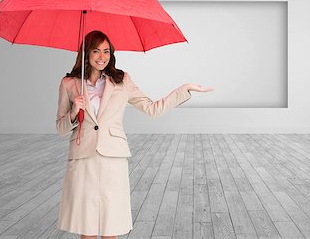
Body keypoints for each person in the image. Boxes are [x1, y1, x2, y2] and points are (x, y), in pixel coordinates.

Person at [55, 30, 212, 239]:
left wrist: (185, 89)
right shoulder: (69, 84)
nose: (102, 57)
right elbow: (60, 128)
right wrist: (74, 112)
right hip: (83, 158)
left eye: (106, 51)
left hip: (113, 157)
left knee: (112, 225)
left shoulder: (122, 80)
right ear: (86, 54)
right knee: (88, 225)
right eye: (96, 51)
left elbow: (152, 108)